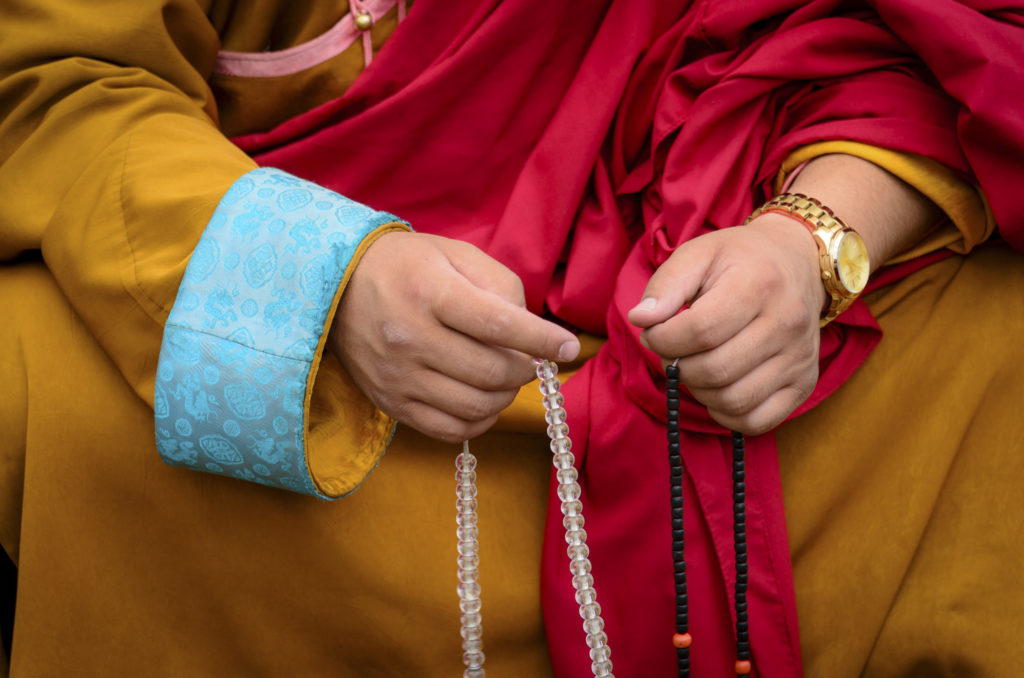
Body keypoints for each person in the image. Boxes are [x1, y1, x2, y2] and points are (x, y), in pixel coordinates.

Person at [1, 0, 1022, 676]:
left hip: (734, 335)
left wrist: (814, 243)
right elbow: (55, 82)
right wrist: (330, 278)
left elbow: (955, 47)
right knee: (30, 366)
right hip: (328, 377)